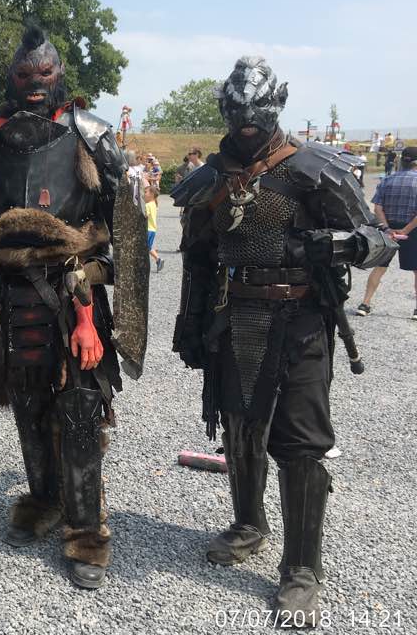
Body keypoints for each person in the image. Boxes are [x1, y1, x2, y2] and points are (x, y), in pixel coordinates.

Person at [172, 56, 396, 624]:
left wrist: (340, 246)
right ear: (226, 111)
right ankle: (249, 524)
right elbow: (198, 259)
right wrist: (189, 325)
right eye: (239, 114)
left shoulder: (314, 168)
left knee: (300, 445)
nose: (247, 124)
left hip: (301, 321)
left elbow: (379, 239)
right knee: (241, 429)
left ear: (276, 106)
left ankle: (301, 569)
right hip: (234, 316)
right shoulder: (210, 178)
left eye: (257, 113)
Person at [0, 24, 148, 589]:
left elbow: (125, 227)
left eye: (45, 73)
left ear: (59, 75)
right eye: (25, 74)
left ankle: (87, 532)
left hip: (72, 293)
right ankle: (43, 499)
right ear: (11, 77)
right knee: (28, 401)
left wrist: (104, 286)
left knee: (79, 408)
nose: (35, 82)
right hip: (6, 295)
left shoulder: (92, 135)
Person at [356, 146, 417, 319]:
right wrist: (405, 230)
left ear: (401, 160)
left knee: (380, 267)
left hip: (387, 229)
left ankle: (365, 303)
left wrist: (387, 228)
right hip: (413, 229)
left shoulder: (387, 180)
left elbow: (377, 208)